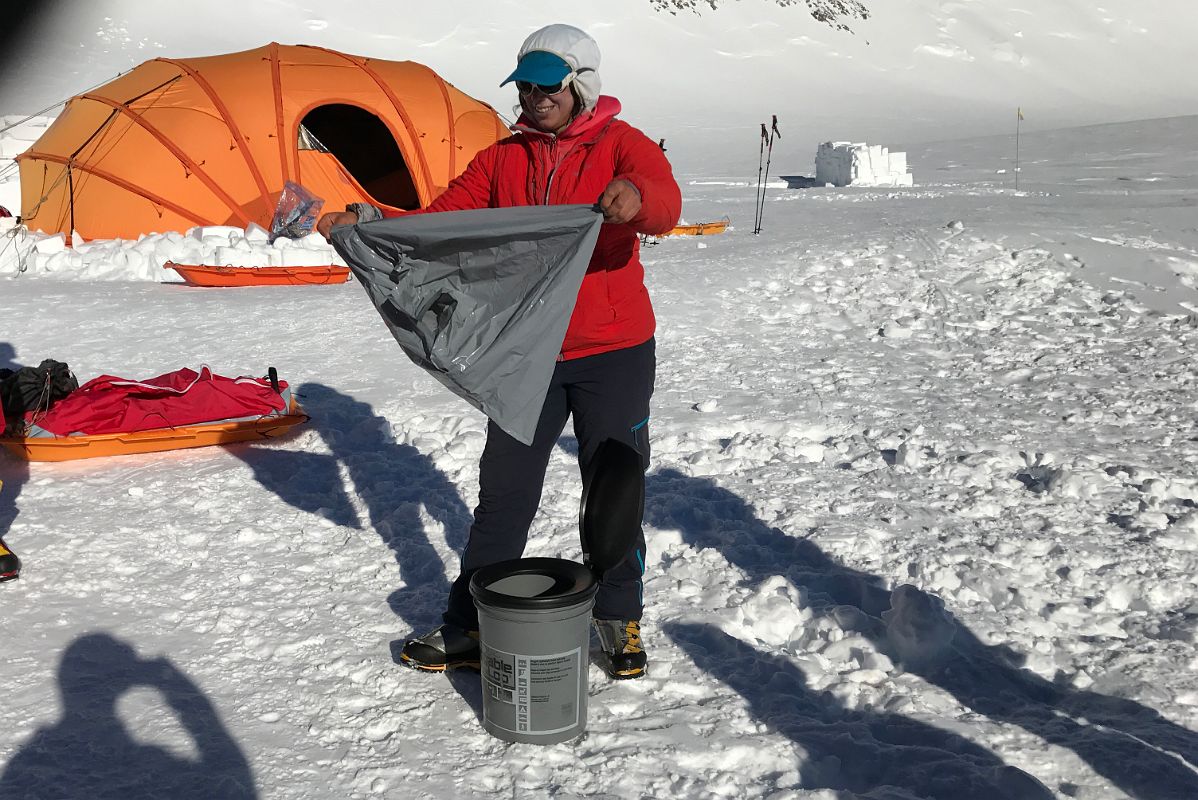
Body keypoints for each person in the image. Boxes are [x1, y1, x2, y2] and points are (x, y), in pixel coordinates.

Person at [319, 23, 681, 680]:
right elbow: (443, 228)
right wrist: (368, 225)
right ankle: (468, 627)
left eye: (550, 85)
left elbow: (665, 202)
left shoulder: (622, 147)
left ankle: (619, 616)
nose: (537, 96)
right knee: (505, 492)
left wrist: (637, 200)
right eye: (528, 84)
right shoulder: (499, 161)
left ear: (580, 84)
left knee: (615, 486)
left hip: (614, 348)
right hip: (525, 355)